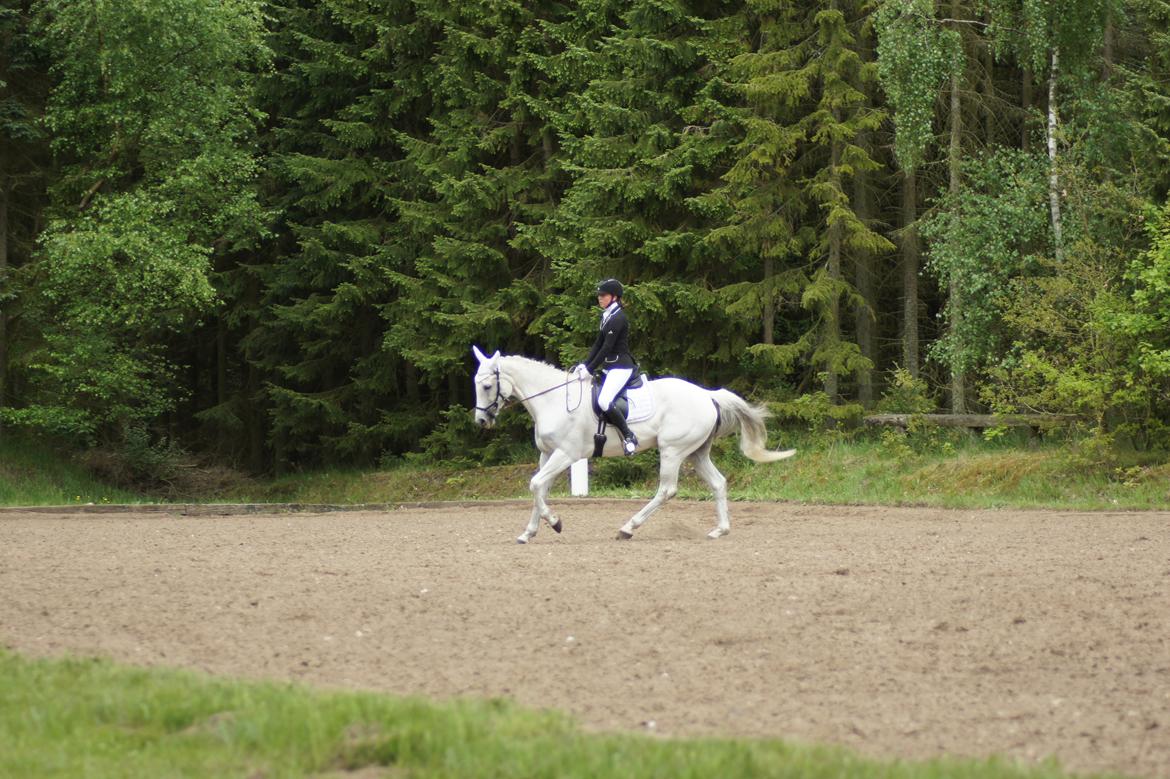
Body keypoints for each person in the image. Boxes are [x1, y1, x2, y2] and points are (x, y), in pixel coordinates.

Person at [574, 278, 639, 455]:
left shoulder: (618, 318)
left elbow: (607, 348)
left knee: (604, 400)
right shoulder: (607, 316)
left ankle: (628, 436)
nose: (599, 298)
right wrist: (585, 365)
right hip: (611, 367)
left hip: (621, 367)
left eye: (603, 295)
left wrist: (590, 368)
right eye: (599, 295)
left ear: (614, 297)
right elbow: (597, 344)